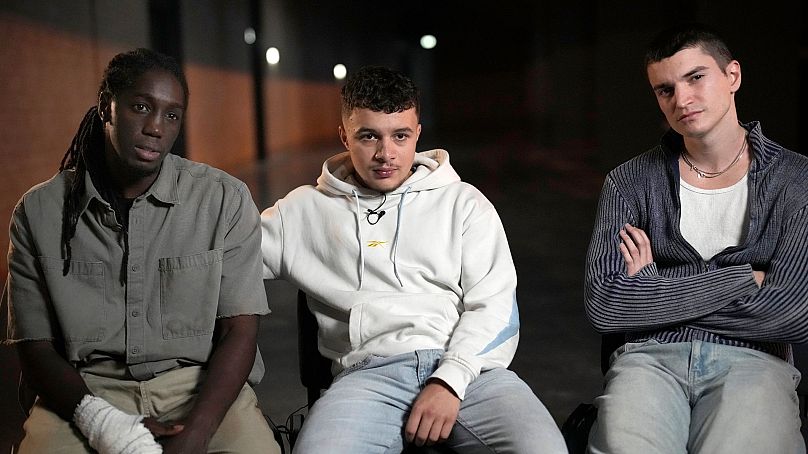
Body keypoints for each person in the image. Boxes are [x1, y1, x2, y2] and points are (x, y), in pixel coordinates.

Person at [260, 66, 567, 453]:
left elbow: (496, 305)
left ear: (418, 134)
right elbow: (227, 257)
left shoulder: (463, 203)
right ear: (344, 136)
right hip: (366, 377)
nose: (385, 153)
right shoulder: (302, 211)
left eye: (400, 136)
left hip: (470, 370)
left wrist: (450, 380)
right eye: (368, 136)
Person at [3, 48, 280, 454]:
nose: (156, 128)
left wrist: (196, 434)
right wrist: (101, 423)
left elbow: (240, 331)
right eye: (141, 107)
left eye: (172, 115)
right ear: (106, 108)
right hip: (86, 392)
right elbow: (35, 346)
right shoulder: (39, 211)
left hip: (199, 388)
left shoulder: (224, 200)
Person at [584, 23, 807, 454]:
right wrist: (742, 279)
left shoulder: (796, 181)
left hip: (755, 362)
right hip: (647, 359)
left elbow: (792, 315)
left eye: (696, 77)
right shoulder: (628, 182)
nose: (681, 100)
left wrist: (651, 293)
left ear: (733, 76)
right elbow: (606, 306)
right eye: (664, 90)